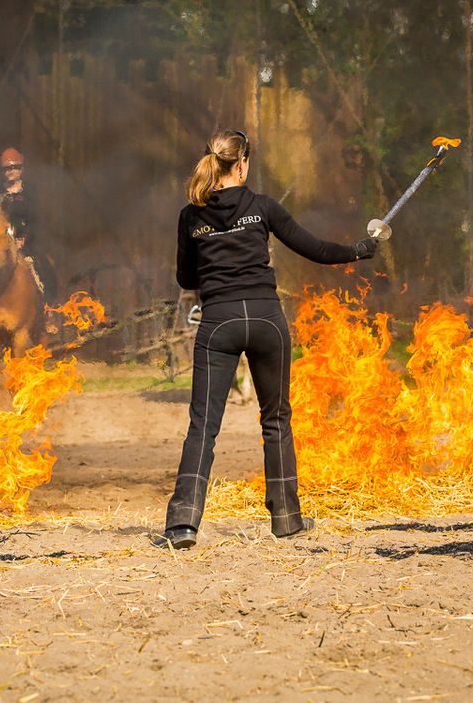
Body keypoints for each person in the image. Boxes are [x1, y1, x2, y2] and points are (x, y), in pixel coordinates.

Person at [159, 129, 378, 549]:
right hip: (265, 318)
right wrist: (359, 249)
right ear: (241, 164)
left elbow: (186, 279)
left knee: (203, 426)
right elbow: (313, 248)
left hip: (218, 321)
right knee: (276, 420)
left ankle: (183, 524)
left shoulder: (191, 216)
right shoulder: (262, 207)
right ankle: (286, 518)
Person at [0, 147, 57, 302]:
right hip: (0, 239)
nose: (11, 171)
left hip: (25, 240)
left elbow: (36, 219)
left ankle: (48, 305)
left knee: (41, 264)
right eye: (7, 168)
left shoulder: (30, 193)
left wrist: (24, 238)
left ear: (21, 169)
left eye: (14, 167)